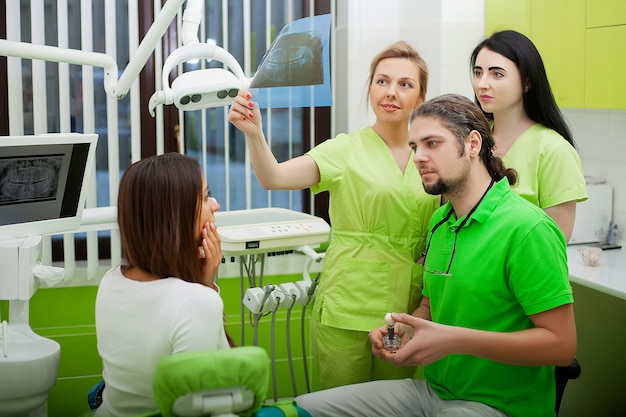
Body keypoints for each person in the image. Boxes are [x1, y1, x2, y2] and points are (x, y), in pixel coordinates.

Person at [295, 94, 576, 417]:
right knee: (305, 408)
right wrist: (408, 330)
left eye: (432, 143)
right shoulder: (441, 222)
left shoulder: (526, 229)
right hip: (432, 392)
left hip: (498, 405)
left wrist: (453, 340)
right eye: (415, 146)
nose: (418, 157)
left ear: (472, 144)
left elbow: (562, 347)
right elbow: (430, 305)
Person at [228, 41, 441, 389]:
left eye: (405, 84)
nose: (391, 92)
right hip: (347, 305)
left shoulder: (430, 156)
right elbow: (275, 177)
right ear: (370, 88)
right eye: (381, 81)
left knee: (393, 408)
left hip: (405, 309)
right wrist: (255, 135)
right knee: (341, 407)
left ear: (420, 97)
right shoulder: (345, 149)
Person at [94, 153, 229, 416]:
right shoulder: (197, 302)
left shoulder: (110, 281)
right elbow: (213, 394)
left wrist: (203, 284)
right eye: (204, 196)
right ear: (175, 217)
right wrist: (205, 289)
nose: (215, 205)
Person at [470, 29, 587, 242]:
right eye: (478, 72)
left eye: (497, 73)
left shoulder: (554, 151)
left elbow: (552, 246)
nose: (482, 83)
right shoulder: (471, 139)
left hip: (519, 274)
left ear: (527, 82)